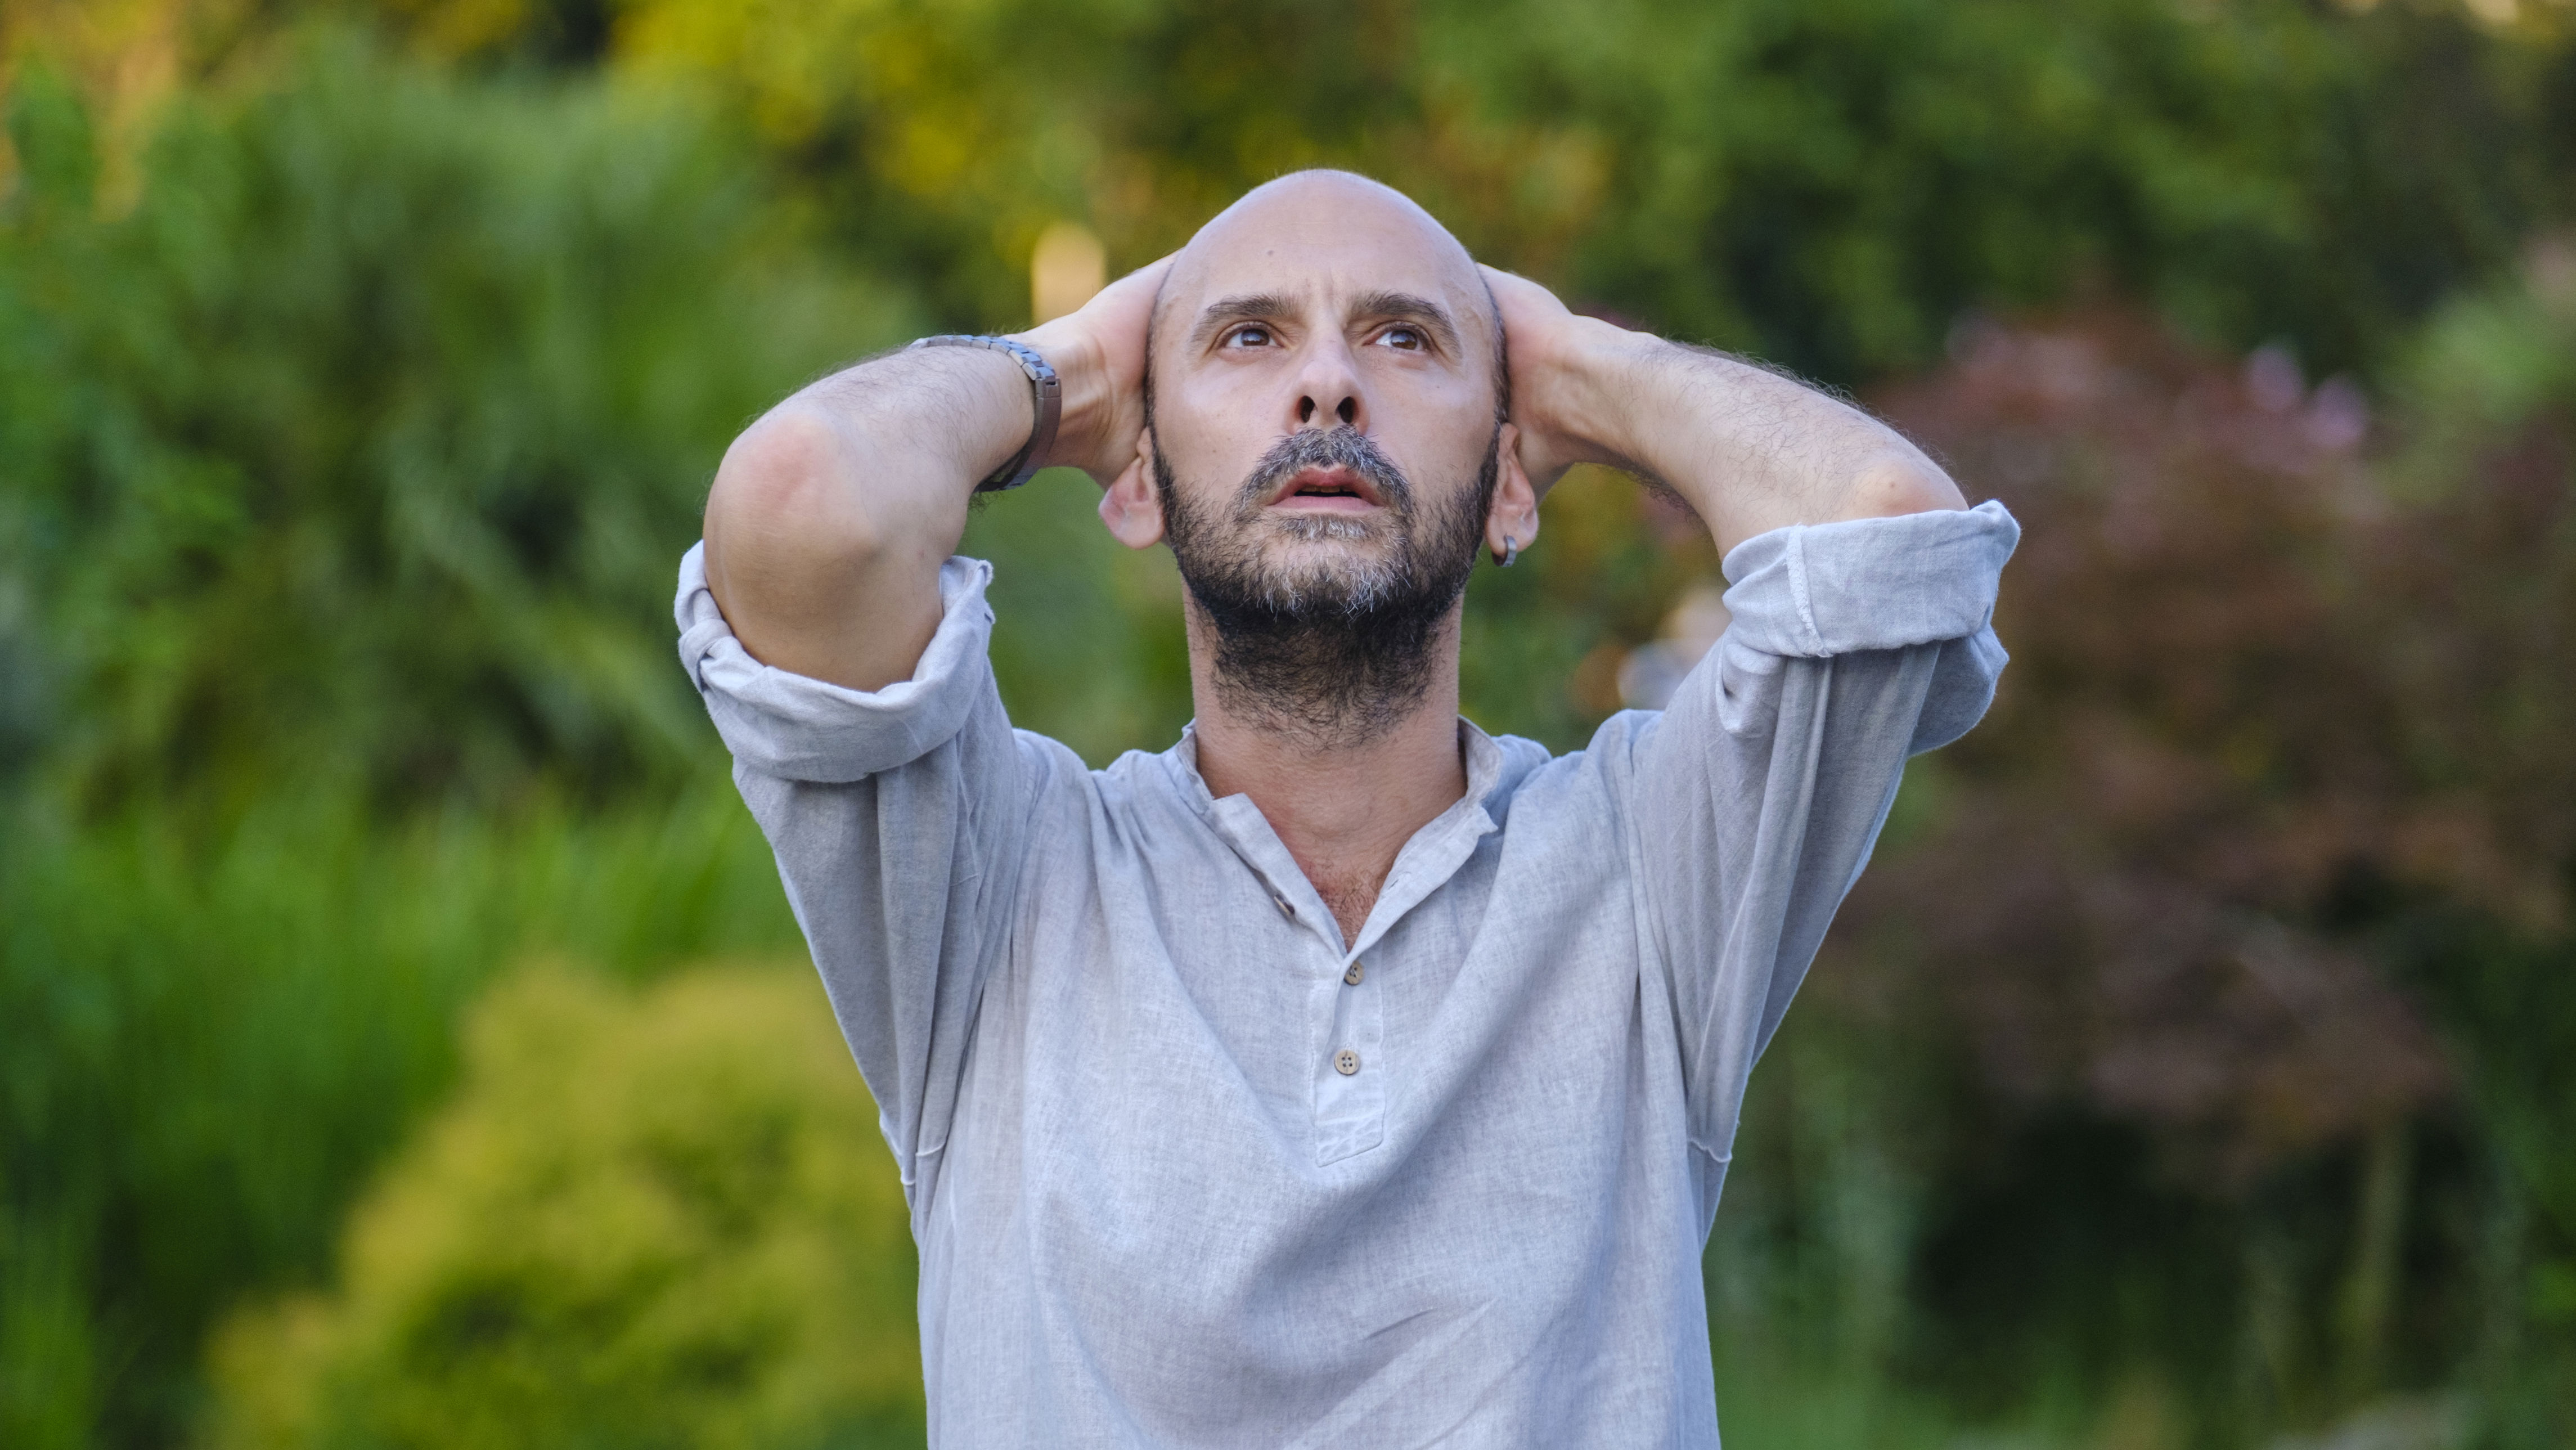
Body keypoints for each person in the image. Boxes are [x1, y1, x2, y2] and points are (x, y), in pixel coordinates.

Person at [678, 169, 2016, 1446]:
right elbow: (806, 503)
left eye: (1405, 338)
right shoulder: (996, 882)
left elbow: (1883, 532)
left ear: (1509, 480)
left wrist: (1576, 363)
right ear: (1134, 476)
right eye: (1250, 337)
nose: (1328, 383)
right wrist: (1076, 367)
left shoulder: (1648, 874)